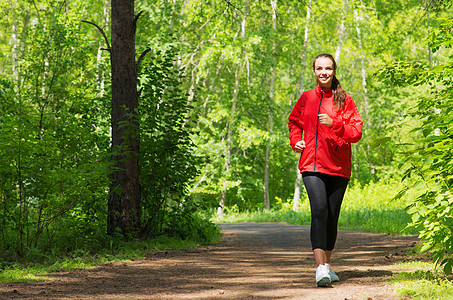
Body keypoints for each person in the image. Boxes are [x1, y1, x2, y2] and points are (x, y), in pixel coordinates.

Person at [288, 53, 363, 287]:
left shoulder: (345, 101)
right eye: (319, 68)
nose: (323, 72)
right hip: (311, 164)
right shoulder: (307, 98)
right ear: (314, 71)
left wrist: (335, 124)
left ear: (334, 71)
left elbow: (356, 133)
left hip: (338, 167)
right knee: (319, 210)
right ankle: (320, 268)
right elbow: (294, 122)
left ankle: (327, 265)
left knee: (332, 216)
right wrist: (295, 140)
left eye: (328, 69)